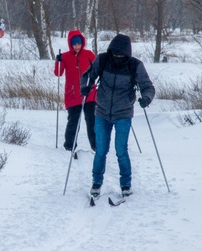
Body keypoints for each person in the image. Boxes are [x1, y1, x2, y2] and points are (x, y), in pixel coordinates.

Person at [80, 34, 155, 197]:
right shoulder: (103, 60)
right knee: (101, 150)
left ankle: (126, 185)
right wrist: (85, 86)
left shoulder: (135, 65)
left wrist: (146, 98)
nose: (117, 56)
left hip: (123, 113)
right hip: (102, 112)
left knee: (121, 150)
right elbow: (88, 75)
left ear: (127, 53)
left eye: (121, 54)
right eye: (115, 53)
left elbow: (147, 85)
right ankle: (96, 183)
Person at [54, 30, 96, 157]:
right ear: (70, 44)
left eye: (79, 44)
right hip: (73, 94)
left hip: (89, 93)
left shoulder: (89, 54)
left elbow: (97, 69)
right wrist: (58, 61)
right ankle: (69, 146)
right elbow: (58, 73)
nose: (77, 47)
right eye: (74, 45)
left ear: (82, 43)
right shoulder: (66, 56)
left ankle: (96, 146)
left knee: (91, 120)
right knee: (73, 121)